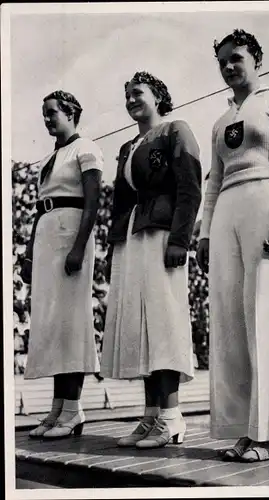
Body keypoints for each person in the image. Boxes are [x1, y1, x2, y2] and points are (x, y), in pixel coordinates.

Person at [196, 29, 269, 462]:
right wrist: (205, 232)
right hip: (226, 212)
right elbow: (213, 182)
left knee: (267, 313)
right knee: (230, 320)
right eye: (221, 61)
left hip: (268, 203)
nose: (228, 67)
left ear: (257, 58)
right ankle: (244, 428)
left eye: (236, 57)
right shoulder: (221, 121)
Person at [100, 71, 202, 449]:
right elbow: (121, 201)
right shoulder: (129, 147)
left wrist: (180, 239)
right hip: (132, 239)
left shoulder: (176, 129)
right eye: (125, 94)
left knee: (163, 323)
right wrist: (115, 246)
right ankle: (150, 417)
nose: (130, 99)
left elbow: (190, 185)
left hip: (162, 236)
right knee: (143, 327)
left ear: (158, 95)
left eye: (137, 92)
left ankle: (172, 419)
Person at [21, 90, 104, 439]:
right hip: (46, 235)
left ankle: (73, 409)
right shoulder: (50, 158)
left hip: (71, 234)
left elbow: (93, 200)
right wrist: (27, 253)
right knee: (53, 324)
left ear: (71, 113)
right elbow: (41, 207)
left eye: (52, 112)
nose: (47, 118)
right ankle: (59, 409)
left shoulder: (86, 149)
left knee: (70, 322)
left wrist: (79, 247)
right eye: (44, 113)